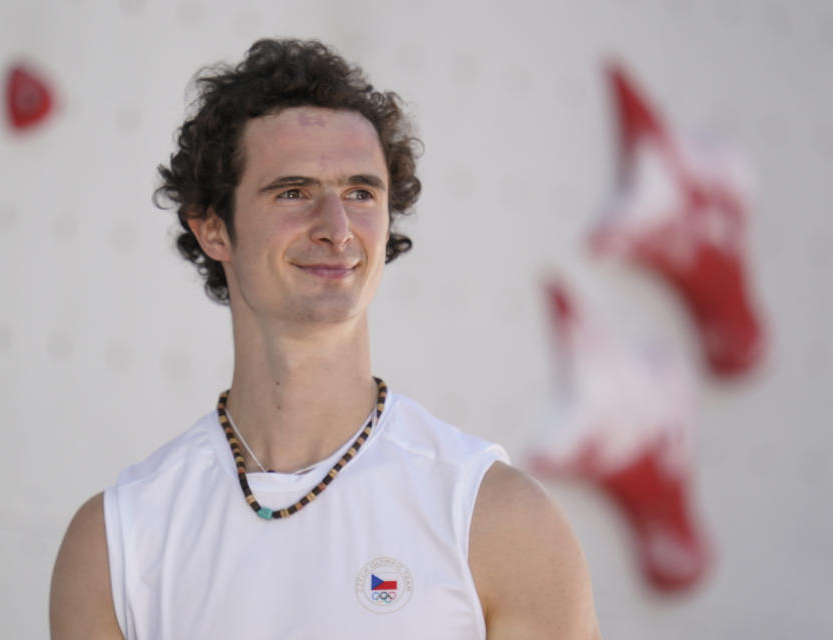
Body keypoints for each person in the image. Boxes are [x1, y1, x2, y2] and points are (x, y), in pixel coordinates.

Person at [49, 38, 601, 639]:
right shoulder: (116, 542)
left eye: (361, 193)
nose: (337, 229)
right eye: (294, 191)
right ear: (212, 227)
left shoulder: (498, 519)